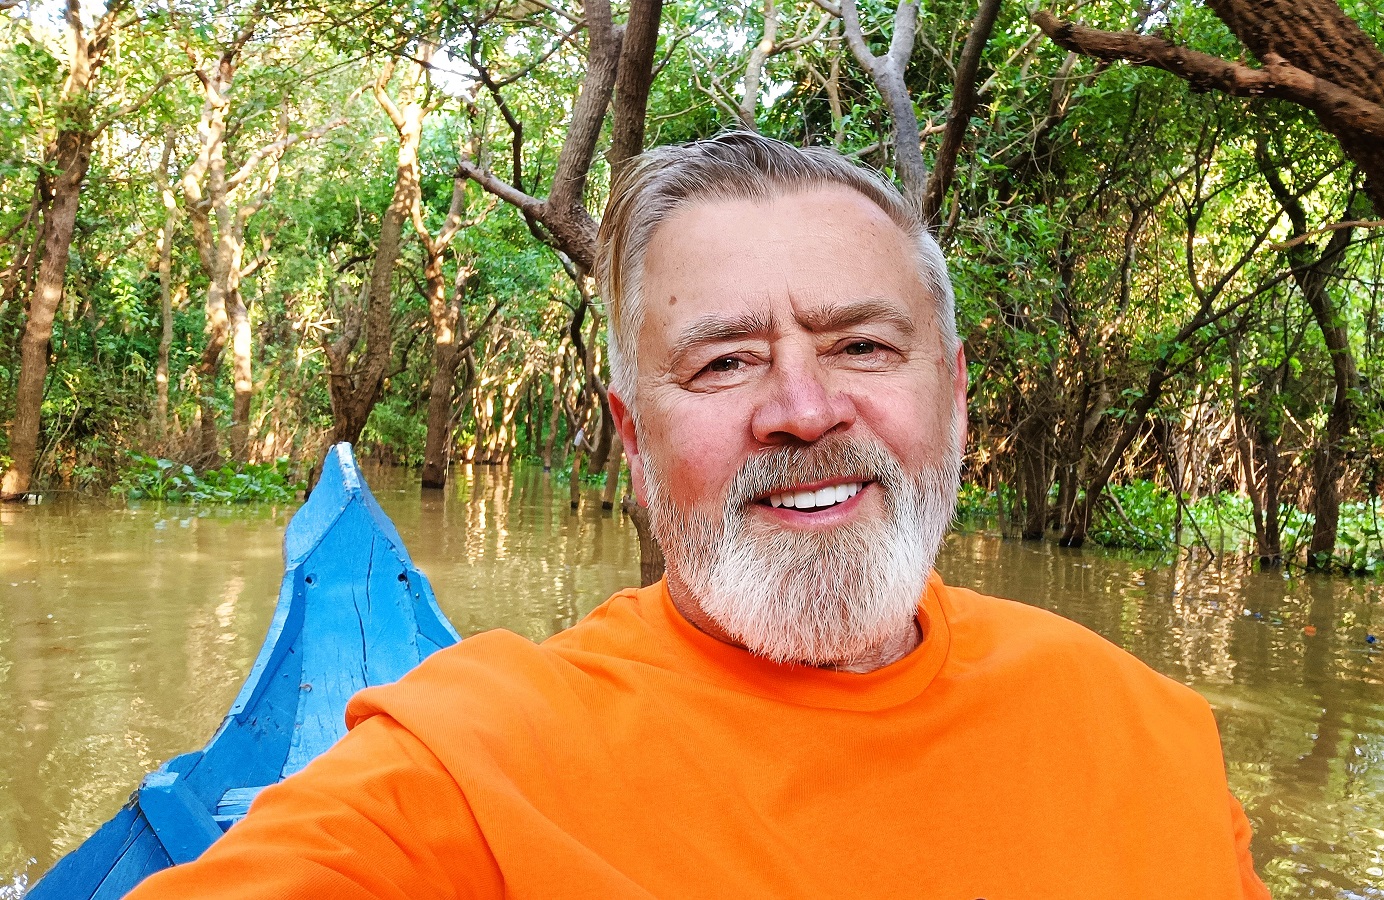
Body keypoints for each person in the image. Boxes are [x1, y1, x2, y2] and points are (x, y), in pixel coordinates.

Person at [129, 133, 1270, 899]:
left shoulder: (1152, 734)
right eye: (724, 362)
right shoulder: (479, 760)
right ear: (633, 438)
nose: (804, 410)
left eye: (862, 345)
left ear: (955, 394)